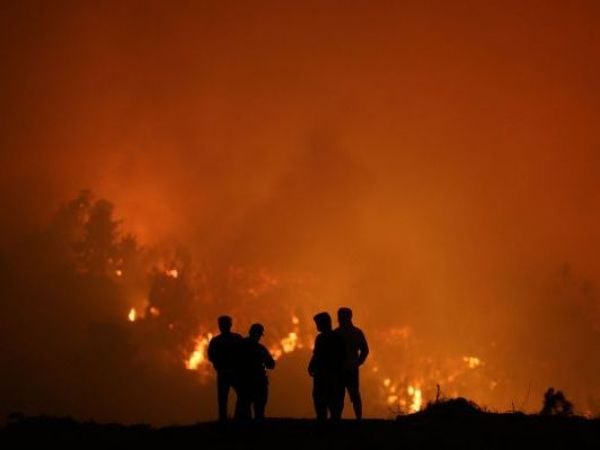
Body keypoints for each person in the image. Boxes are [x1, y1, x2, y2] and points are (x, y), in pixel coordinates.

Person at [308, 312, 346, 421]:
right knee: (335, 409)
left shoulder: (321, 338)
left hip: (324, 376)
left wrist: (311, 366)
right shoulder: (338, 337)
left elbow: (317, 355)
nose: (317, 326)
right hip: (334, 376)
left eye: (318, 324)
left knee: (321, 405)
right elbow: (343, 356)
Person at [335, 307, 369, 419]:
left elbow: (365, 350)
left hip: (343, 369)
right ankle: (357, 418)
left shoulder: (336, 333)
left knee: (342, 395)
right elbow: (365, 350)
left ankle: (338, 418)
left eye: (340, 317)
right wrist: (358, 362)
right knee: (350, 395)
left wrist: (357, 363)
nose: (339, 319)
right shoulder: (356, 332)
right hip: (348, 368)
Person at [207, 315, 243, 421]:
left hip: (226, 373)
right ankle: (237, 418)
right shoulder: (237, 338)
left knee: (224, 398)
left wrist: (218, 365)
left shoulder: (216, 341)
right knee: (241, 394)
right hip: (231, 372)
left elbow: (211, 356)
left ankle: (226, 419)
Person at [237, 323, 276, 420]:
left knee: (244, 409)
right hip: (258, 382)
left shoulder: (240, 346)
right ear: (258, 334)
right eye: (259, 335)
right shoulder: (260, 349)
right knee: (259, 410)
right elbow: (271, 364)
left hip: (244, 382)